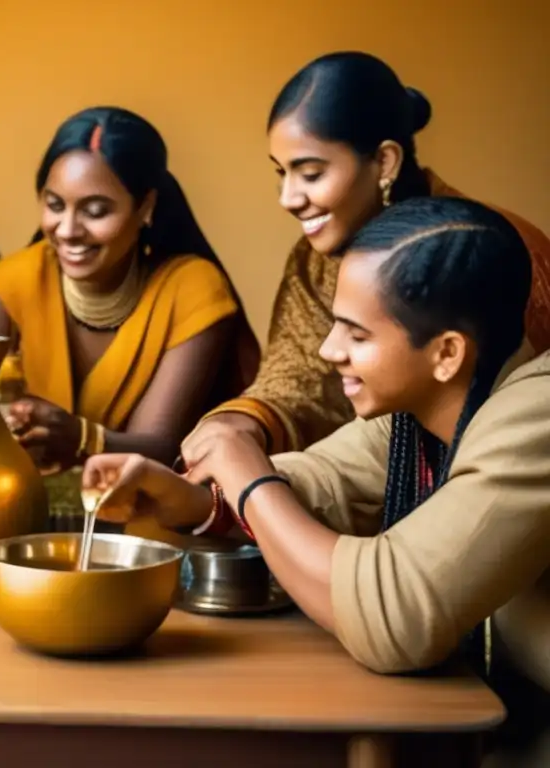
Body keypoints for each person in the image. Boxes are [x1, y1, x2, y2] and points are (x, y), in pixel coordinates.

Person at [84, 198, 550, 764]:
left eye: (356, 334)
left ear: (447, 352)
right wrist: (189, 500)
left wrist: (247, 477)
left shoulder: (536, 412)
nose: (329, 351)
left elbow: (396, 619)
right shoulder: (427, 409)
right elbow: (322, 483)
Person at [181, 51, 550, 480]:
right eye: (281, 173)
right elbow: (302, 381)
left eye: (311, 173)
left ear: (385, 162)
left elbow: (519, 428)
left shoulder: (490, 253)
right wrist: (246, 422)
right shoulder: (314, 260)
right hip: (362, 497)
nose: (288, 197)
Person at [0, 107, 260, 470]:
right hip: (15, 506)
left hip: (147, 511)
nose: (68, 230)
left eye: (95, 211)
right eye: (55, 205)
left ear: (146, 207)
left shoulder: (193, 289)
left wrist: (81, 438)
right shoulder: (10, 280)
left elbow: (161, 445)